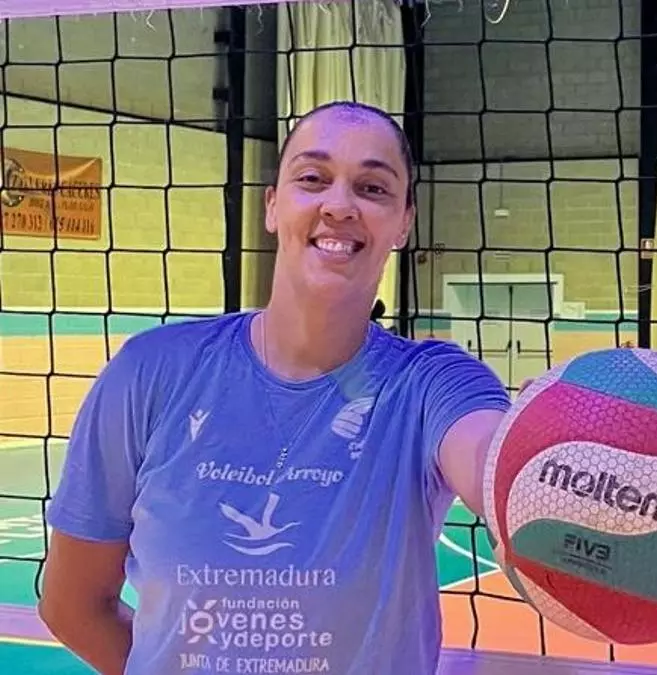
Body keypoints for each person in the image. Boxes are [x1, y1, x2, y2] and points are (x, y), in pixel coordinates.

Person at [36, 101, 512, 675]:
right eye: (312, 179)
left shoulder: (432, 384)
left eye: (373, 188)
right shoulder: (150, 372)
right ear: (272, 204)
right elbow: (73, 605)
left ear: (404, 223)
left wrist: (541, 452)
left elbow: (493, 462)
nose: (339, 205)